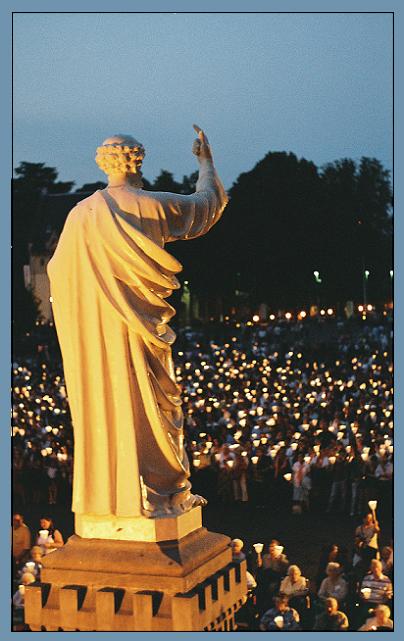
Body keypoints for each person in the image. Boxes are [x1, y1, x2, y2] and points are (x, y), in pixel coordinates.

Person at [47, 126, 228, 528]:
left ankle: (113, 497)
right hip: (143, 332)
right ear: (137, 162)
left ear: (104, 163)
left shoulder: (81, 216)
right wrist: (205, 162)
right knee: (153, 407)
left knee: (109, 405)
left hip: (100, 335)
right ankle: (161, 489)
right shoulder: (153, 205)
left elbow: (58, 272)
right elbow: (208, 204)